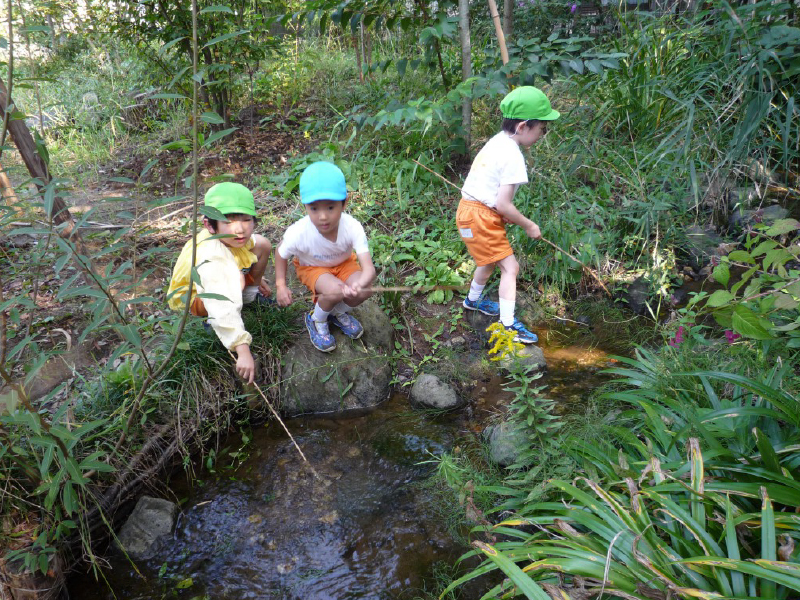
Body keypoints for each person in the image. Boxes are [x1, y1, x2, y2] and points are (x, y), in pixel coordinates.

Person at [456, 86, 559, 344]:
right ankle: (508, 325)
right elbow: (504, 205)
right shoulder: (513, 155)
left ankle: (473, 300)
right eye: (542, 129)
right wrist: (528, 225)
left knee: (488, 261)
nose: (543, 135)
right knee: (510, 267)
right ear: (523, 126)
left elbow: (496, 201)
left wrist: (507, 215)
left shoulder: (497, 141)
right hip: (481, 217)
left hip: (467, 211)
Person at [167, 182, 272, 383]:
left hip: (226, 271)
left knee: (263, 245)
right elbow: (220, 300)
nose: (240, 229)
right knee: (232, 284)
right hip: (199, 294)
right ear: (210, 225)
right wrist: (242, 350)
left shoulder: (231, 238)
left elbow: (252, 247)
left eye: (246, 219)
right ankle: (210, 320)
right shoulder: (212, 255)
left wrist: (254, 279)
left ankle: (249, 296)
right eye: (228, 222)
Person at [275, 161, 376, 353]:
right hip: (312, 267)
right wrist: (280, 285)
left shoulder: (352, 227)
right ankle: (317, 319)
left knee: (365, 292)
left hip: (344, 263)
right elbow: (280, 254)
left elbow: (369, 269)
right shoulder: (299, 232)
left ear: (344, 203)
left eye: (330, 207)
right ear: (305, 206)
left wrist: (360, 283)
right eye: (314, 208)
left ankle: (335, 313)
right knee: (335, 291)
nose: (323, 216)